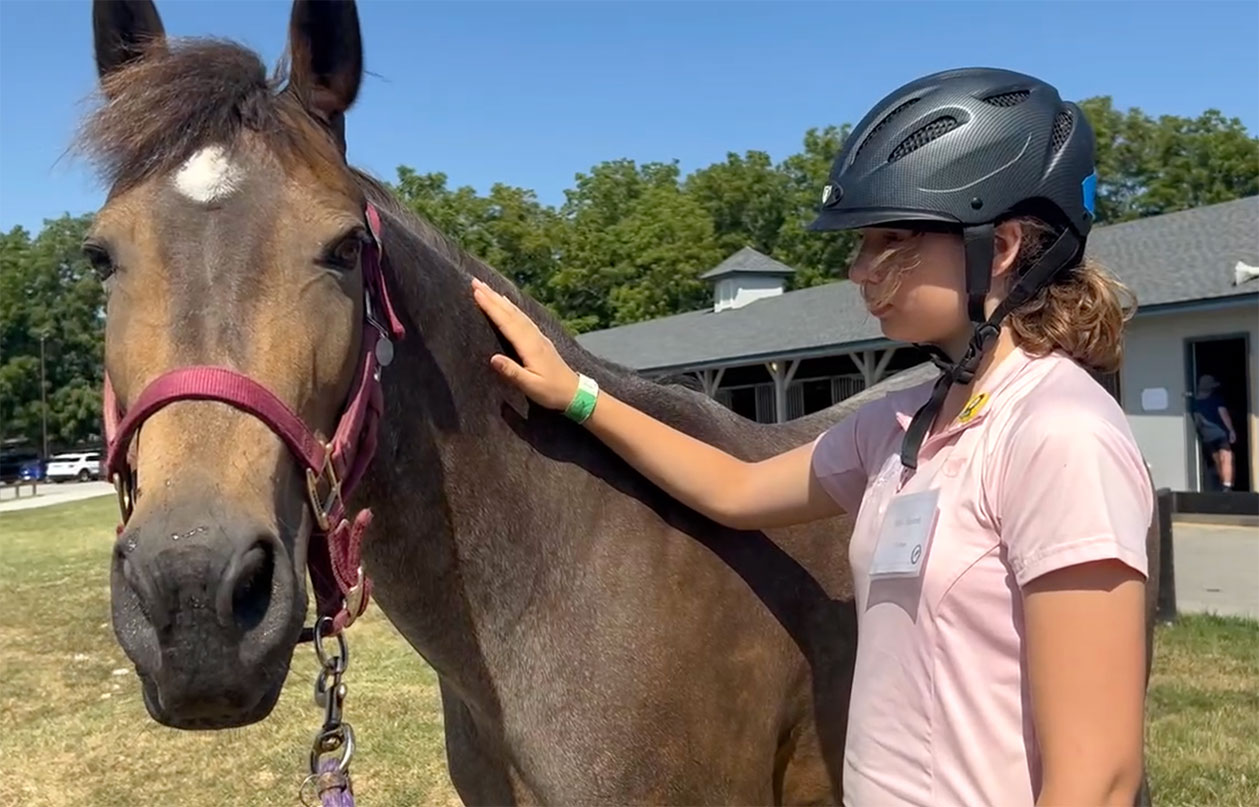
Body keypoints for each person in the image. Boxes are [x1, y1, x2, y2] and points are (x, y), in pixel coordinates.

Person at [472, 67, 1153, 807]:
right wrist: (574, 391)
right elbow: (732, 488)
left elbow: (1099, 779)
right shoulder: (907, 424)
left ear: (1001, 246)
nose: (859, 270)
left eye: (891, 239)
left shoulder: (1059, 437)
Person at [1192, 374, 1237, 490]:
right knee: (1226, 458)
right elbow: (1224, 415)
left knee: (1217, 460)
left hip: (1206, 436)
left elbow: (1196, 420)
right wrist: (1231, 430)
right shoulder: (1216, 399)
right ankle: (1226, 486)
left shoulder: (1194, 402)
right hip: (1219, 433)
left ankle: (1220, 484)